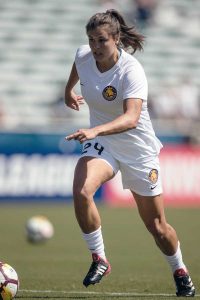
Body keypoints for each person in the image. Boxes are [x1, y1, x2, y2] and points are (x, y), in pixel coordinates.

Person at [64, 9, 195, 297]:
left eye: (102, 41)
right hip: (105, 145)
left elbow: (132, 117)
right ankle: (100, 258)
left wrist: (95, 130)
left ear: (116, 39)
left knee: (157, 227)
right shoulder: (84, 55)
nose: (95, 47)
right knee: (82, 190)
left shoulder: (130, 70)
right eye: (91, 40)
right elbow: (78, 64)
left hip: (138, 150)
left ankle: (180, 270)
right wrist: (67, 91)